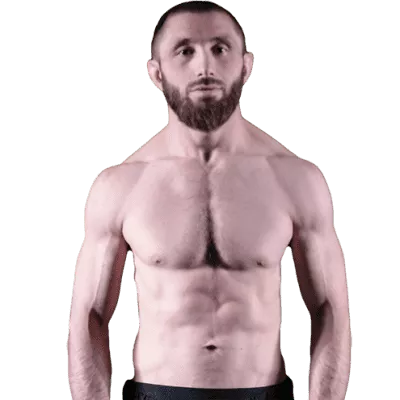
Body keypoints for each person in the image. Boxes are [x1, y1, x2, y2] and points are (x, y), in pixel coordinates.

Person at [66, 1, 352, 399]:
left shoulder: (296, 180)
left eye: (220, 48)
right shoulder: (121, 186)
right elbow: (90, 317)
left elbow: (330, 312)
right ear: (156, 73)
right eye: (185, 51)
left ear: (246, 65)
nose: (205, 66)